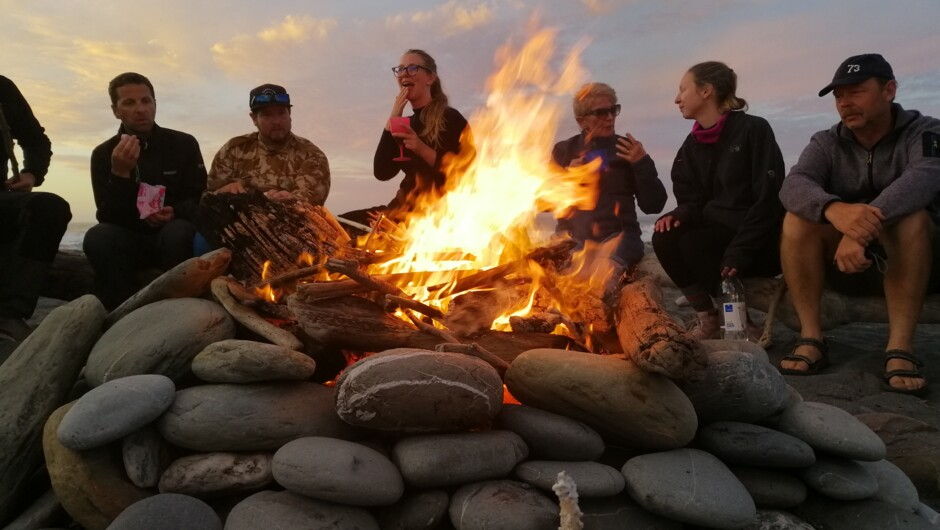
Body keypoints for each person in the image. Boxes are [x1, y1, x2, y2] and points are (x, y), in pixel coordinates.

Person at [778, 53, 940, 396]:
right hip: (847, 264)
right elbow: (793, 184)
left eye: (856, 92)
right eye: (839, 95)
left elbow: (925, 178)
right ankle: (811, 337)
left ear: (889, 90)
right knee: (797, 220)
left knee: (912, 217)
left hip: (921, 259)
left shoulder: (925, 131)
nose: (845, 103)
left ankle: (900, 348)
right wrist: (834, 209)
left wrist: (859, 228)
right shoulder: (826, 141)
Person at [652, 61, 785, 340]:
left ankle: (743, 324)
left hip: (758, 242)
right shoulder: (691, 146)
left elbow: (769, 199)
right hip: (718, 238)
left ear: (706, 91)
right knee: (664, 236)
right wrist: (680, 214)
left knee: (693, 243)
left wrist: (741, 249)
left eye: (682, 89)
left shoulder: (753, 130)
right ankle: (708, 317)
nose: (677, 99)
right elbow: (694, 200)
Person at [84, 72, 207, 310]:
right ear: (115, 110)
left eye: (146, 101)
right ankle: (124, 311)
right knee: (97, 236)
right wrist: (120, 173)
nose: (140, 109)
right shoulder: (103, 153)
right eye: (129, 103)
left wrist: (175, 211)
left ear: (155, 104)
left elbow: (202, 198)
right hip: (132, 239)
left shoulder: (184, 144)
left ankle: (180, 308)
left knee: (178, 231)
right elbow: (107, 216)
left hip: (174, 236)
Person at [551, 82, 667, 288]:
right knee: (562, 286)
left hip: (619, 237)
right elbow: (545, 204)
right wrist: (566, 179)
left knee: (599, 280)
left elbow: (654, 205)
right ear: (581, 120)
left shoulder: (628, 150)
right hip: (573, 239)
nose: (610, 117)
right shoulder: (564, 151)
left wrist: (642, 163)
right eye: (601, 112)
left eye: (613, 110)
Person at [341, 49, 472, 226]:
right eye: (400, 69)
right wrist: (393, 118)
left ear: (430, 78)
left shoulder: (449, 118)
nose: (404, 74)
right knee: (341, 222)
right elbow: (382, 172)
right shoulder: (405, 123)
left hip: (433, 215)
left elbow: (463, 173)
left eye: (412, 68)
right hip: (400, 209)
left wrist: (420, 148)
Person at [0, 76, 71, 341]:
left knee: (49, 208)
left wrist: (31, 173)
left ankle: (8, 314)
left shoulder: (3, 89)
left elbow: (35, 140)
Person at [206, 83, 330, 205]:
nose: (276, 121)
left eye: (281, 113)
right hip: (234, 223)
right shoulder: (233, 150)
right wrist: (222, 193)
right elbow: (204, 200)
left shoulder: (312, 155)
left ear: (290, 114)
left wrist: (291, 200)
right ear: (254, 118)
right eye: (267, 115)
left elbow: (309, 203)